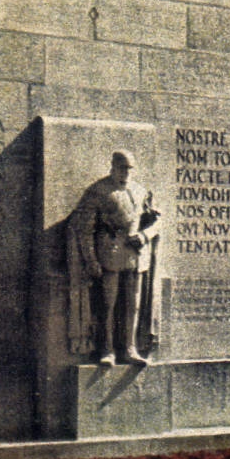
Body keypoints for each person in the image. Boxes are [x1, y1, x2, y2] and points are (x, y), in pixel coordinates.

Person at [68, 150, 159, 366]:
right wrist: (91, 260)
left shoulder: (139, 191)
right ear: (113, 166)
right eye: (122, 167)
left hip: (135, 256)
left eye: (129, 168)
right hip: (109, 255)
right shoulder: (99, 191)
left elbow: (157, 221)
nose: (126, 172)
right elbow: (85, 229)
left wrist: (145, 235)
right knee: (108, 305)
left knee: (132, 305)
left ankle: (129, 348)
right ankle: (107, 350)